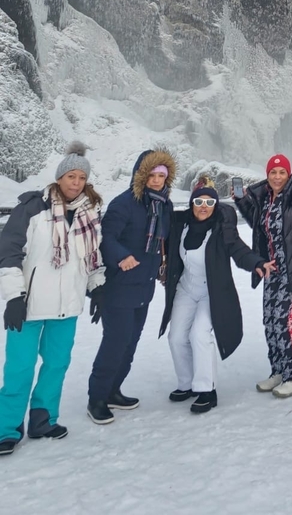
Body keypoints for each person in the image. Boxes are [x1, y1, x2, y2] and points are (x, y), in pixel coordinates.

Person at [0, 143, 105, 455]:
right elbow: (8, 254)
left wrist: (96, 286)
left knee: (57, 364)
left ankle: (43, 419)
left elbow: (92, 257)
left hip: (67, 305)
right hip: (29, 305)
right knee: (19, 367)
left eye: (81, 178)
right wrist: (13, 297)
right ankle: (7, 428)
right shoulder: (33, 209)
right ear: (59, 178)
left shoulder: (89, 214)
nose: (75, 182)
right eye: (70, 176)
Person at [159, 180, 274, 413]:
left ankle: (206, 389)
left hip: (212, 291)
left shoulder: (222, 229)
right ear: (192, 204)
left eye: (210, 202)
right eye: (199, 201)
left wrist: (257, 263)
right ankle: (186, 383)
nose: (204, 206)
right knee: (176, 337)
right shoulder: (180, 225)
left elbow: (239, 249)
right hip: (186, 288)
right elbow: (160, 239)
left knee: (199, 334)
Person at [87, 149, 175, 424]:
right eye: (152, 174)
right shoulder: (123, 203)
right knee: (116, 341)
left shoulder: (164, 205)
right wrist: (121, 256)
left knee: (131, 342)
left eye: (162, 175)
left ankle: (113, 391)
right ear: (141, 174)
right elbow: (106, 238)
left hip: (145, 285)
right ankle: (97, 398)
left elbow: (165, 240)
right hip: (121, 285)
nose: (157, 179)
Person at [235, 155, 292, 399]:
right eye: (273, 172)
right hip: (272, 270)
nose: (277, 176)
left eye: (281, 172)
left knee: (283, 321)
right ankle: (278, 370)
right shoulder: (264, 198)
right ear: (268, 175)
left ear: (288, 174)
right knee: (269, 321)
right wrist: (240, 200)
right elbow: (258, 225)